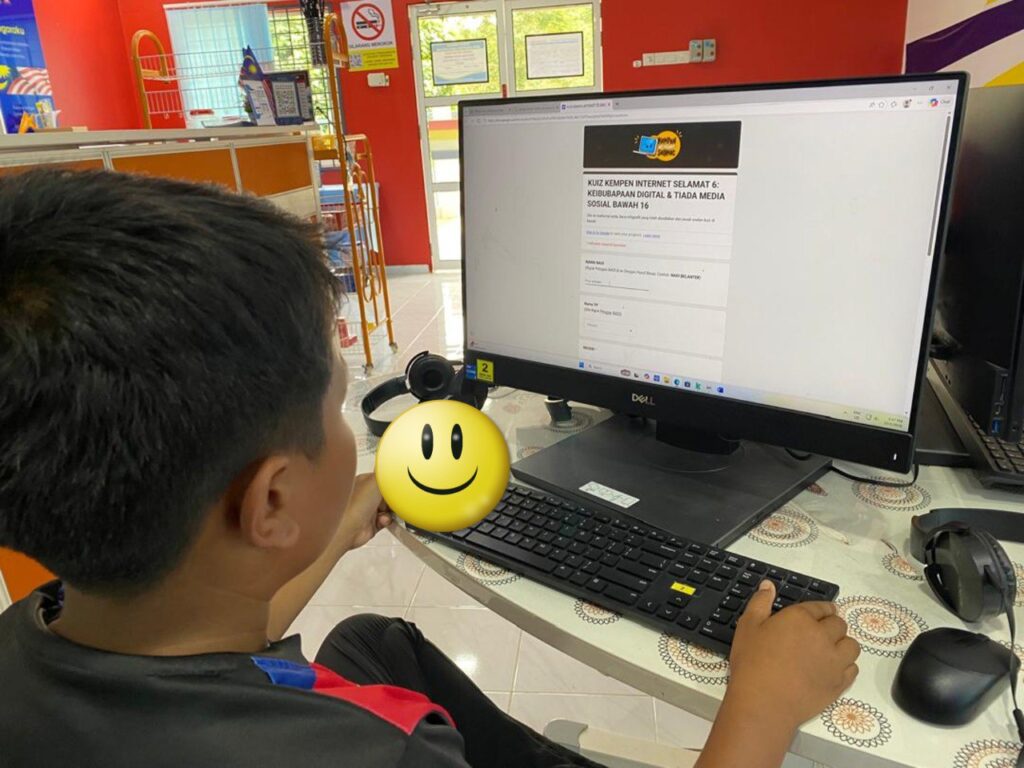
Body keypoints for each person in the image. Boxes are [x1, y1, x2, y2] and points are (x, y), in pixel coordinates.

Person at [0, 169, 860, 768]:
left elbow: (192, 629)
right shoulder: (385, 756)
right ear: (272, 501)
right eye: (337, 406)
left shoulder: (34, 635)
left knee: (372, 643)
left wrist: (335, 526)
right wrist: (762, 707)